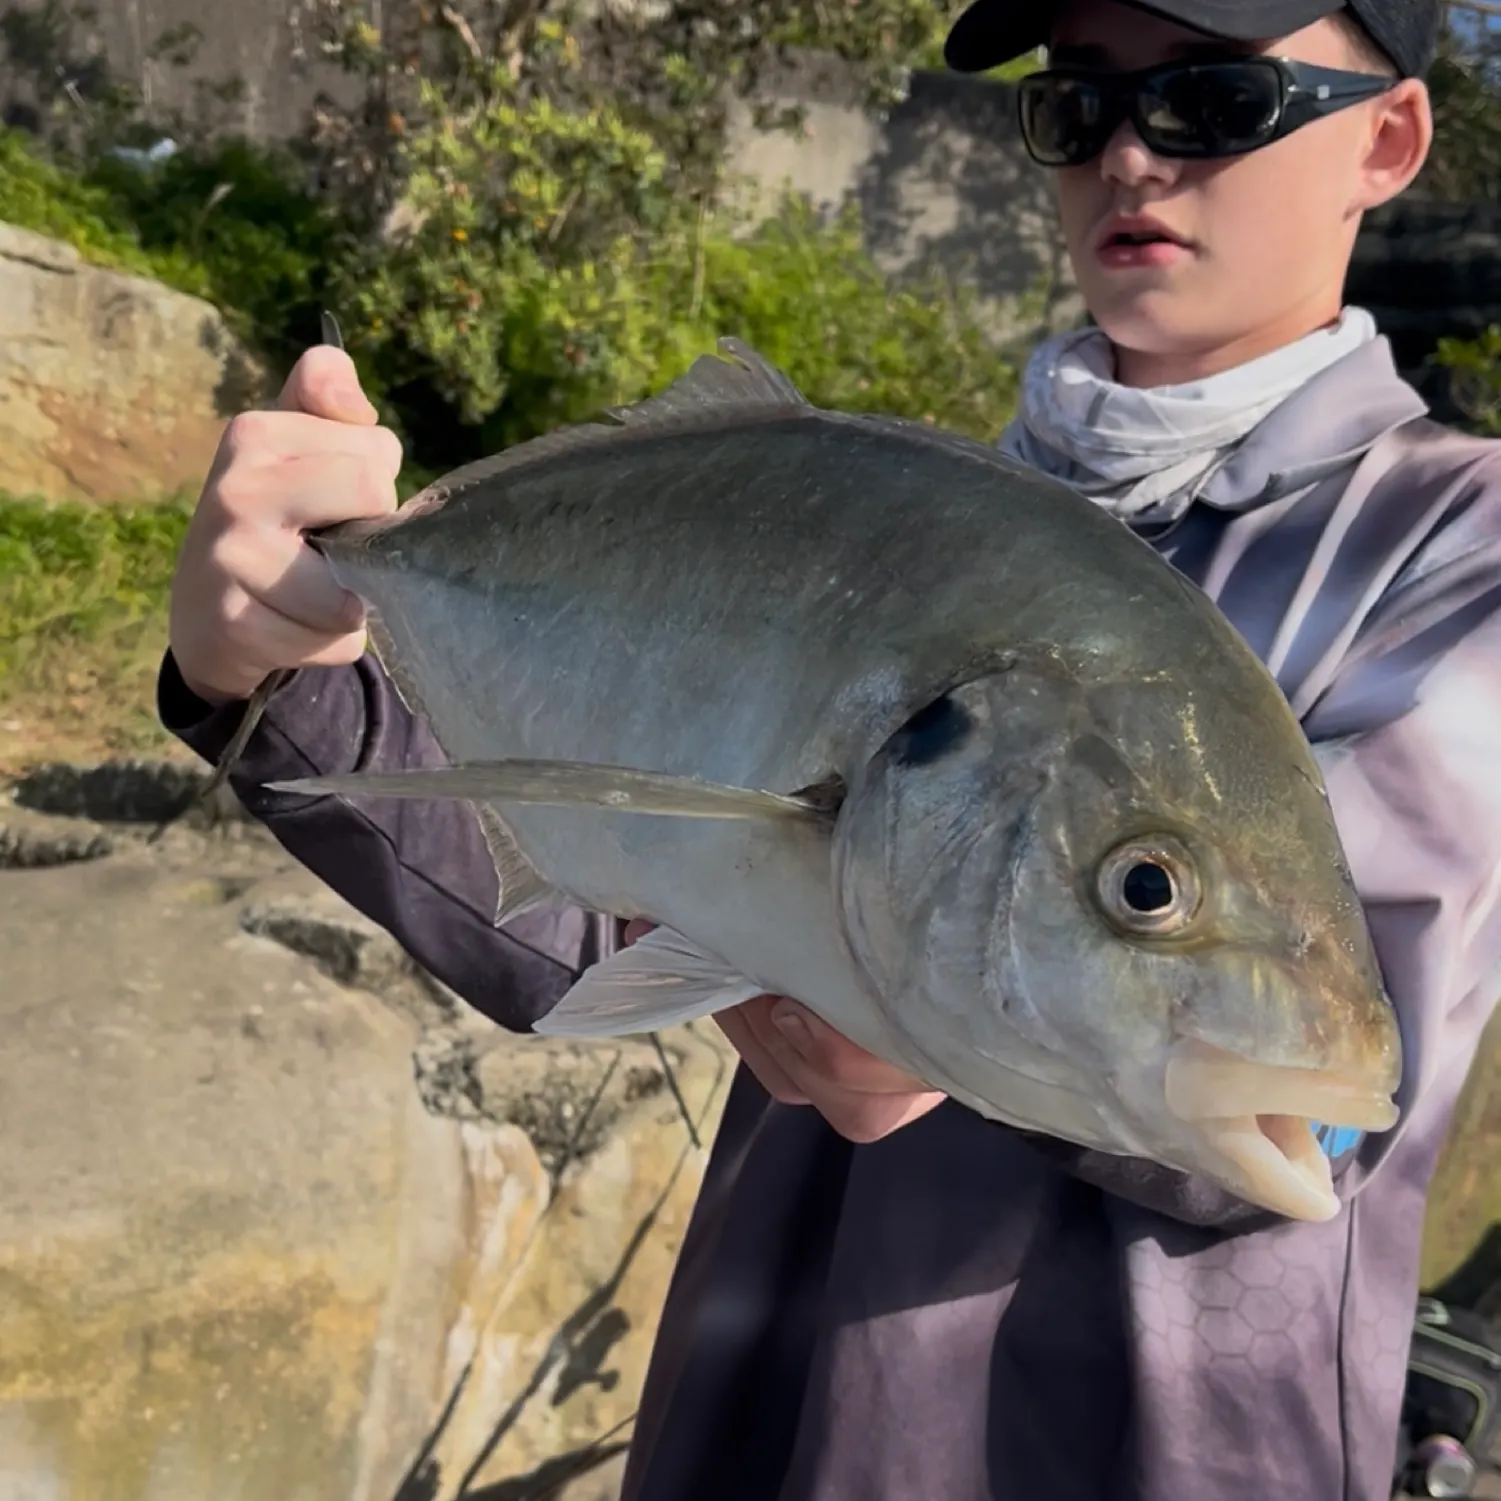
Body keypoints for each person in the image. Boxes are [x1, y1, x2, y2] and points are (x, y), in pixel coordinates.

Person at [160, 0, 1501, 1496]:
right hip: (760, 1414)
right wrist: (281, 680)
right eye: (1077, 104)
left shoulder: (1460, 549)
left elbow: (1323, 1111)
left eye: (1212, 100)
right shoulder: (930, 515)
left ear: (1385, 138)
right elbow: (588, 920)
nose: (1128, 156)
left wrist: (897, 1001)